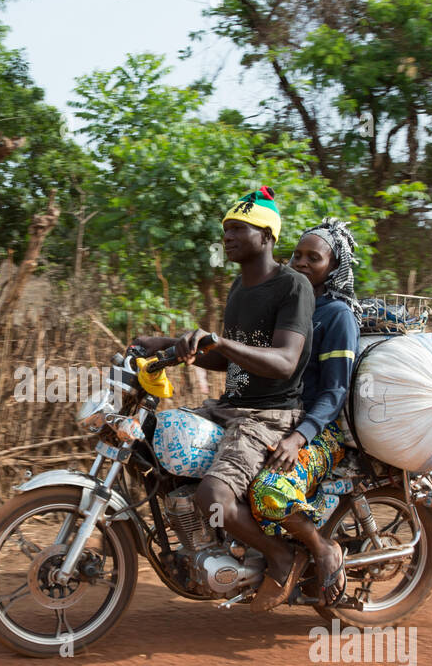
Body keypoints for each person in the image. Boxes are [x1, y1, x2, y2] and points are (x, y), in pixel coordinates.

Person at [132, 186, 313, 611]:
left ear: (266, 237)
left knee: (214, 496)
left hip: (270, 415)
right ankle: (199, 546)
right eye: (225, 230)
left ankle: (282, 557)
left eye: (238, 229)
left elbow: (285, 361)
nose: (227, 237)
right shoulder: (239, 287)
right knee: (151, 443)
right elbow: (231, 361)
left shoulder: (293, 285)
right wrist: (170, 347)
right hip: (229, 406)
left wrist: (219, 343)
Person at [248, 219, 363, 609]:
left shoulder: (337, 316)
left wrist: (300, 436)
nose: (301, 262)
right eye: (297, 254)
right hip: (273, 416)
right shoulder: (287, 306)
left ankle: (321, 549)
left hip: (320, 430)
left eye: (314, 257)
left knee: (269, 490)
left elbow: (334, 391)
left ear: (334, 266)